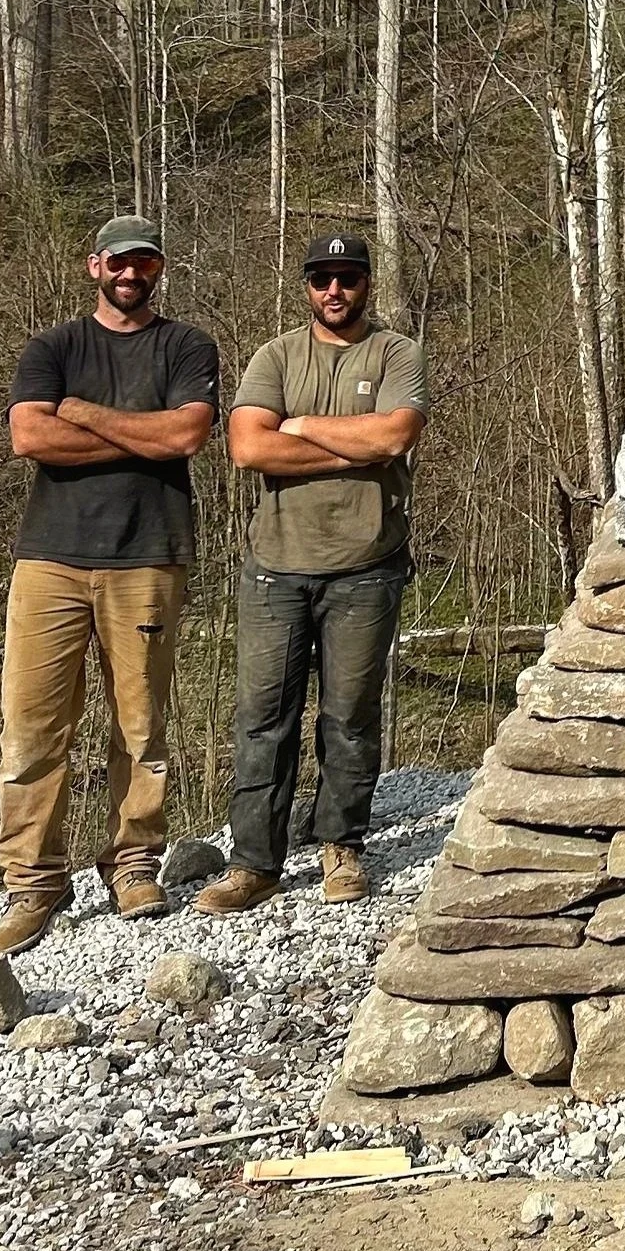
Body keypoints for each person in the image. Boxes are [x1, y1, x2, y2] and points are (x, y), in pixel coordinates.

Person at [0, 215, 220, 954]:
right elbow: (29, 435)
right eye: (119, 261)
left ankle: (133, 864)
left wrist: (82, 412)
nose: (131, 273)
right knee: (31, 728)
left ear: (158, 270)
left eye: (145, 262)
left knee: (141, 725)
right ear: (95, 266)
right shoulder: (54, 346)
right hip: (50, 559)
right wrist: (138, 429)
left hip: (148, 553)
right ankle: (34, 882)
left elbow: (185, 436)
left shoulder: (185, 346)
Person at [199, 231, 425, 913]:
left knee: (349, 715)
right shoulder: (276, 355)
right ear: (306, 285)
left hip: (366, 566)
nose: (335, 290)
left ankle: (340, 845)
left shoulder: (394, 352)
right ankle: (255, 864)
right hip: (275, 567)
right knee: (263, 717)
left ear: (365, 284)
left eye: (348, 278)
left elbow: (393, 436)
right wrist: (347, 449)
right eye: (322, 278)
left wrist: (296, 429)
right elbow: (245, 447)